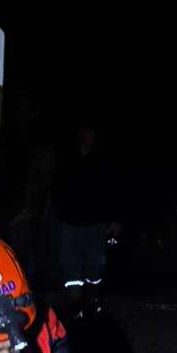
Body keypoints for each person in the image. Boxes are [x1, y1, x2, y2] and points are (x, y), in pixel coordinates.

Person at [50, 123, 122, 310]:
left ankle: (93, 303)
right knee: (70, 267)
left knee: (95, 267)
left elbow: (114, 190)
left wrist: (115, 220)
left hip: (96, 224)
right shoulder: (66, 157)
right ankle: (76, 306)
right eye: (83, 131)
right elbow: (57, 188)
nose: (86, 135)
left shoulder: (104, 159)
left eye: (90, 131)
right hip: (70, 223)